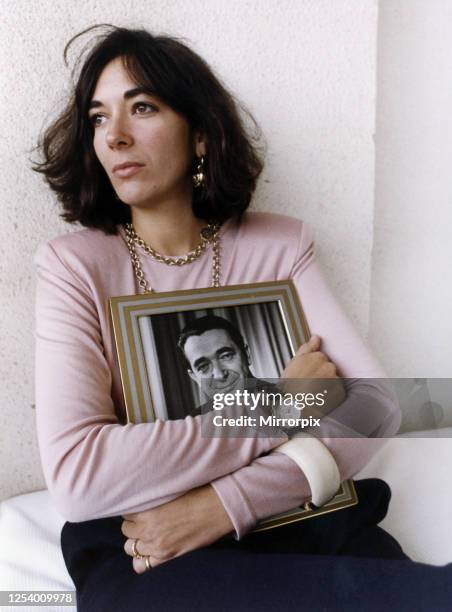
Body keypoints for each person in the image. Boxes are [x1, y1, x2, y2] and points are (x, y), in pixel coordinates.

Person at [32, 24, 451, 612]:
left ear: (200, 134)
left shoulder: (279, 244)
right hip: (148, 546)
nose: (116, 137)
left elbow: (377, 404)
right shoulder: (73, 266)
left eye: (143, 107)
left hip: (298, 518)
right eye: (98, 118)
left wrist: (225, 504)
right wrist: (285, 403)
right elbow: (79, 475)